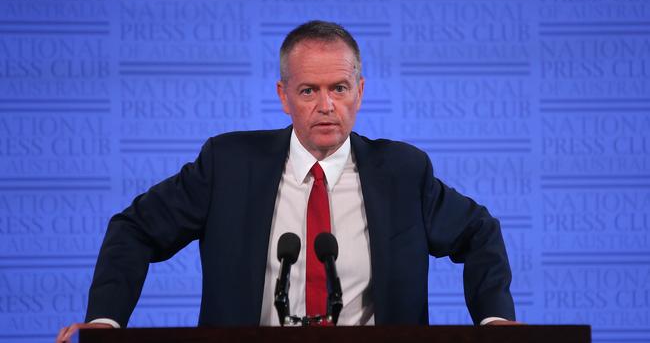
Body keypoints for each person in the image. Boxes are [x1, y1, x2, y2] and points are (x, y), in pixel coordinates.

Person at [56, 20, 517, 343]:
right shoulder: (228, 165)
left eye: (338, 88)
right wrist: (106, 322)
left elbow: (479, 233)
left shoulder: (403, 172)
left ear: (360, 91)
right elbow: (134, 229)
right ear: (283, 96)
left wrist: (493, 319)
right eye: (308, 90)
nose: (325, 105)